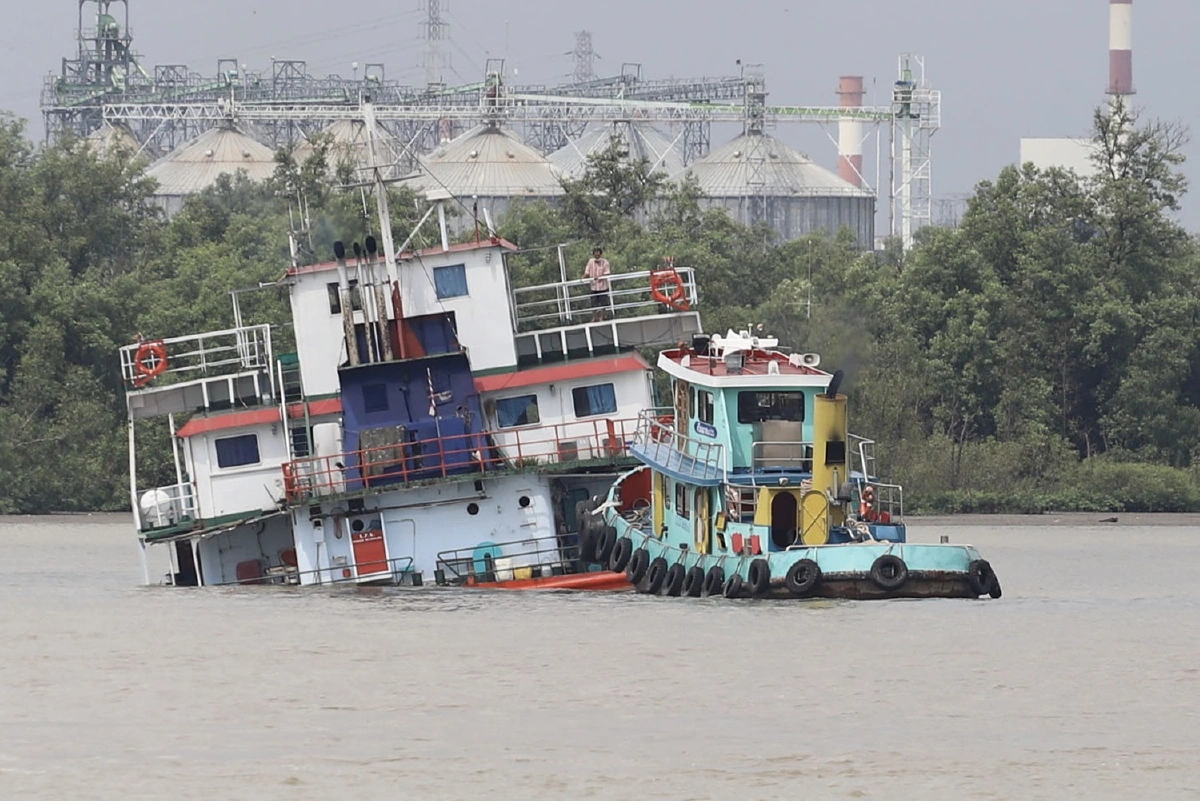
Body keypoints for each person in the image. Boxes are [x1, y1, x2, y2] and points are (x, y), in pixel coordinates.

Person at [583, 247, 611, 322]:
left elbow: (607, 273)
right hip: (594, 287)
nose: (597, 254)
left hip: (603, 287)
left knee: (603, 303)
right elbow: (587, 272)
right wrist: (582, 278)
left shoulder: (605, 262)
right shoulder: (590, 261)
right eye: (595, 253)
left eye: (598, 253)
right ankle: (594, 317)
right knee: (593, 303)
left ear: (600, 254)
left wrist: (599, 277)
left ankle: (601, 318)